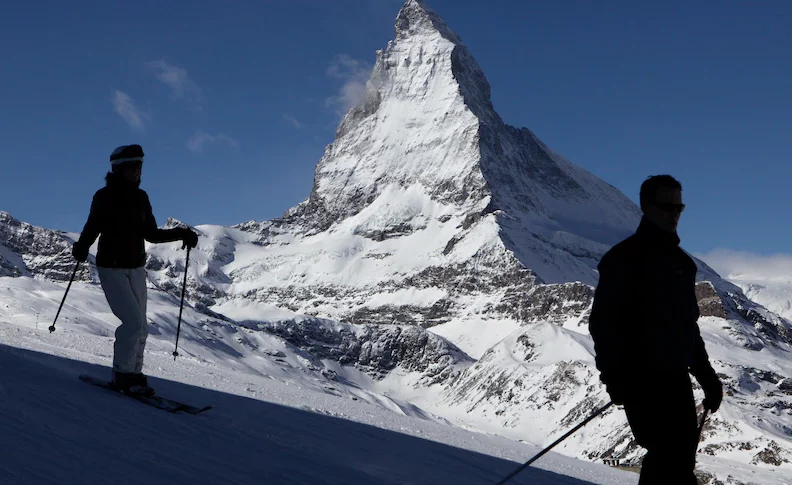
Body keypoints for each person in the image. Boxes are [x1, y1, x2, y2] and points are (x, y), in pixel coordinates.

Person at [588, 174, 723, 484]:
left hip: (675, 380)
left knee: (678, 458)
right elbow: (604, 324)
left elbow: (688, 328)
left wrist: (707, 379)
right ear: (646, 206)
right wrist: (615, 378)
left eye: (679, 207)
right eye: (666, 206)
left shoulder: (682, 264)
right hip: (641, 380)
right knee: (668, 456)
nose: (674, 213)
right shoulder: (623, 260)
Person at [72, 144, 198, 396]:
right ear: (118, 169)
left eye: (139, 167)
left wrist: (181, 234)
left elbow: (150, 234)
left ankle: (134, 374)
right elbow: (92, 225)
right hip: (112, 267)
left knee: (142, 326)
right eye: (132, 167)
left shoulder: (141, 198)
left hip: (136, 267)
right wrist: (82, 246)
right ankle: (122, 374)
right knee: (132, 322)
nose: (137, 172)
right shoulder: (104, 196)